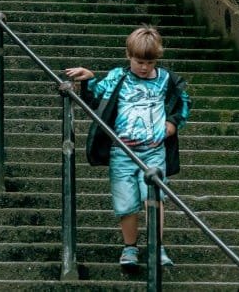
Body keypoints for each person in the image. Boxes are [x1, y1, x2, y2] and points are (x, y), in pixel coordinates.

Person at [64, 26, 190, 271]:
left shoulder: (167, 79)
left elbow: (183, 102)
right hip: (122, 151)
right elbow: (96, 99)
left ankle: (156, 246)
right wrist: (88, 78)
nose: (144, 67)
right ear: (128, 56)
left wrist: (173, 124)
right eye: (139, 61)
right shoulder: (117, 77)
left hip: (154, 150)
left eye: (150, 62)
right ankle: (129, 246)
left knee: (153, 197)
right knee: (126, 202)